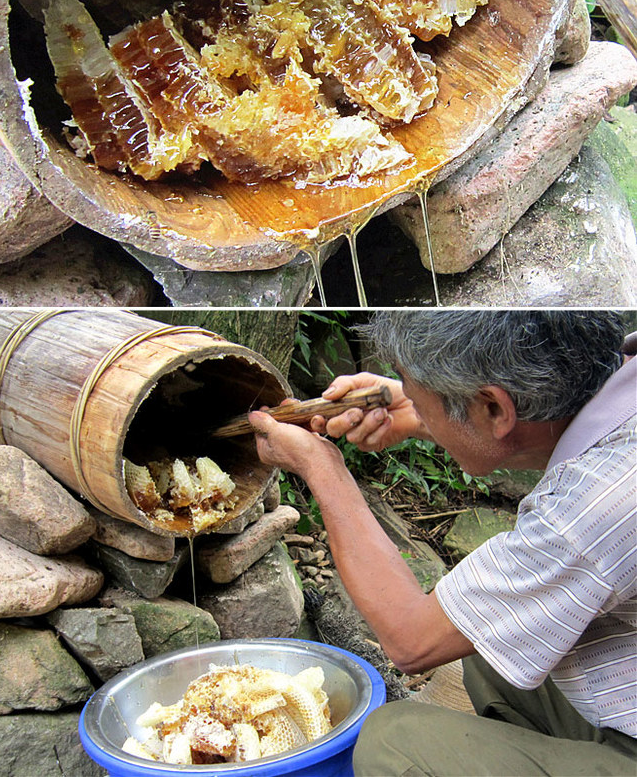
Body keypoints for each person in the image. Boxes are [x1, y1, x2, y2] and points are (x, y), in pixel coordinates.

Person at [250, 311, 637, 776]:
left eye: (414, 392)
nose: (406, 397)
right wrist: (419, 411)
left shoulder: (598, 505)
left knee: (396, 745)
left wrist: (321, 468)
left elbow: (412, 641)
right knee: (487, 649)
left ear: (493, 408)